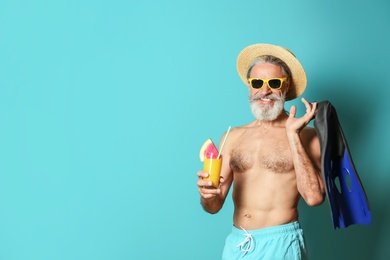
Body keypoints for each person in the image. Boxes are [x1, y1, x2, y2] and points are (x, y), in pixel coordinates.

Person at [196, 43, 325, 260]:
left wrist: (292, 136)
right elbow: (213, 207)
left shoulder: (308, 137)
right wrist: (208, 196)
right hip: (238, 245)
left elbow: (314, 198)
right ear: (249, 86)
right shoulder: (233, 136)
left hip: (280, 244)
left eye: (273, 83)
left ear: (286, 86)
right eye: (257, 83)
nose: (265, 91)